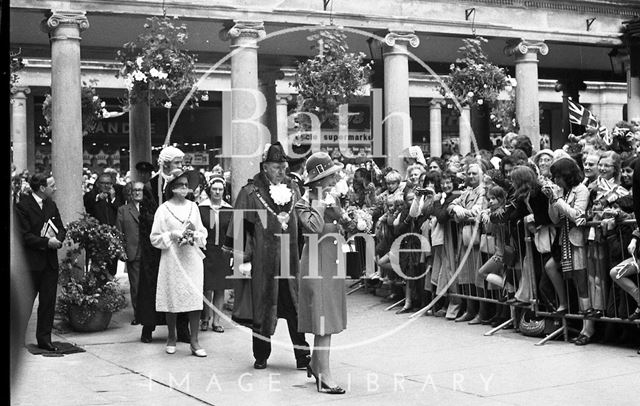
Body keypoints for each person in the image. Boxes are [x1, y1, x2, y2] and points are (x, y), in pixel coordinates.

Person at [223, 142, 311, 370]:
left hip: (289, 261)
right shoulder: (250, 192)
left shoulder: (294, 189)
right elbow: (240, 226)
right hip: (263, 262)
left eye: (283, 165)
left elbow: (302, 225)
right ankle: (261, 355)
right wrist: (243, 259)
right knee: (262, 309)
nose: (281, 170)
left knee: (294, 307)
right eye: (276, 166)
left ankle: (303, 356)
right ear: (264, 167)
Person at [296, 151, 347, 394]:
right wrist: (318, 199)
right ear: (318, 181)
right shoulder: (303, 203)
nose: (334, 179)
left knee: (329, 316)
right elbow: (314, 228)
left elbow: (338, 225)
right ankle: (324, 376)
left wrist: (351, 219)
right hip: (316, 265)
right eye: (329, 176)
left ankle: (317, 365)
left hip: (331, 263)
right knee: (323, 320)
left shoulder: (331, 199)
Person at [150, 169, 208, 356]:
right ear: (172, 188)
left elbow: (202, 231)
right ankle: (171, 336)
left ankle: (194, 341)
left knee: (194, 298)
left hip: (191, 258)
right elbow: (154, 237)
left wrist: (196, 236)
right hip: (172, 259)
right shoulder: (163, 209)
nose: (184, 188)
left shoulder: (194, 207)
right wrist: (172, 235)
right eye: (180, 185)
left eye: (186, 185)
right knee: (173, 298)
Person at [138, 146, 190, 343]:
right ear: (166, 163)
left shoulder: (183, 184)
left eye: (181, 163)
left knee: (180, 284)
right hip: (156, 245)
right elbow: (147, 216)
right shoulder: (151, 185)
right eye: (177, 163)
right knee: (152, 286)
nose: (180, 166)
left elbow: (188, 209)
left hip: (178, 246)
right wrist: (167, 228)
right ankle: (148, 326)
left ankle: (182, 328)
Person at [15, 173, 66, 352]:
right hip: (31, 265)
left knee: (47, 304)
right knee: (25, 304)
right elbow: (24, 236)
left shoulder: (51, 205)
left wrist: (59, 238)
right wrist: (46, 242)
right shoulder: (22, 206)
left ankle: (44, 339)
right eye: (52, 185)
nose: (55, 188)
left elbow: (60, 227)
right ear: (43, 188)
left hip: (50, 264)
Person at [198, 175, 233, 333]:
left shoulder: (229, 209)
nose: (217, 192)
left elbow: (234, 233)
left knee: (220, 288)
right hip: (206, 251)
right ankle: (205, 318)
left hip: (223, 252)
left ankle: (217, 321)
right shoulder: (201, 208)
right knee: (207, 287)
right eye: (214, 189)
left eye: (220, 189)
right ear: (209, 190)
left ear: (224, 190)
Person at [116, 181, 145, 325]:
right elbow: (119, 233)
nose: (138, 193)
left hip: (150, 253)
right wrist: (121, 250)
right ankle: (138, 314)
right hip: (133, 253)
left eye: (140, 190)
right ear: (131, 193)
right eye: (135, 190)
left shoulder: (151, 208)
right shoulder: (123, 210)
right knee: (136, 286)